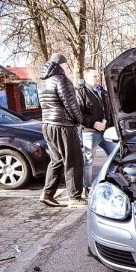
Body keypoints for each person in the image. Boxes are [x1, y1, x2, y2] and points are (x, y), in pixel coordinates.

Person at [38, 53, 84, 207]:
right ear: (61, 64)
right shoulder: (62, 79)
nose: (67, 68)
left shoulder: (42, 82)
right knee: (74, 160)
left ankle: (47, 193)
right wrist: (80, 120)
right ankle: (75, 197)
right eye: (66, 65)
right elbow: (71, 104)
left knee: (56, 160)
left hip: (47, 125)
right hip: (64, 125)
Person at [77, 67, 114, 197]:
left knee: (115, 156)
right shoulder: (81, 93)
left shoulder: (103, 92)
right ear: (86, 78)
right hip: (90, 132)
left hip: (106, 132)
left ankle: (113, 182)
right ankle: (86, 188)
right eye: (95, 76)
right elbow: (79, 114)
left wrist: (110, 124)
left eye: (98, 76)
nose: (98, 78)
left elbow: (109, 111)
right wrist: (93, 123)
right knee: (88, 160)